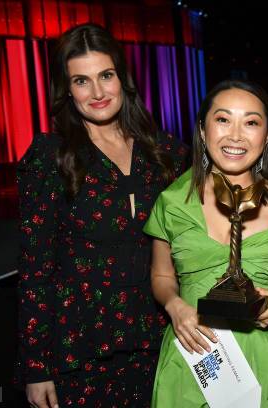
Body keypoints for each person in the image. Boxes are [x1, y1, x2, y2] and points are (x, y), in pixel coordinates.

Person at [15, 23, 187, 408]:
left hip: (160, 341)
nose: (97, 93)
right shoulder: (51, 159)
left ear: (122, 79)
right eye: (81, 80)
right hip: (83, 353)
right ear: (67, 89)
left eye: (106, 76)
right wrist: (36, 367)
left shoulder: (165, 155)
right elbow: (35, 270)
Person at [144, 79, 268, 407]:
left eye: (250, 122)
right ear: (203, 131)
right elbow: (162, 277)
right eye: (222, 119)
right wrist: (175, 308)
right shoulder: (172, 201)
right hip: (195, 353)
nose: (235, 135)